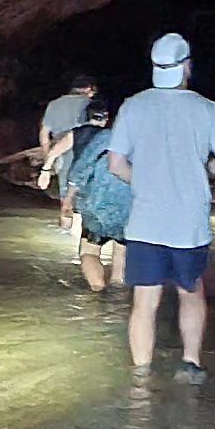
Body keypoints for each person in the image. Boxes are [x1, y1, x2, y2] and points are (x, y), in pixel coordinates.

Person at [108, 33, 215, 385]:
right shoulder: (206, 109)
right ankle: (190, 363)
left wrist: (142, 183)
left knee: (144, 302)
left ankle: (140, 375)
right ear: (186, 66)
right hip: (189, 223)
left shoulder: (133, 106)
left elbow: (115, 164)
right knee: (190, 291)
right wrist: (204, 170)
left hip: (145, 221)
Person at [61, 101, 131, 291]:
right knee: (122, 253)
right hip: (129, 210)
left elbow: (80, 171)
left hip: (96, 206)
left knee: (89, 253)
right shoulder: (149, 143)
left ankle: (97, 288)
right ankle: (118, 292)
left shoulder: (105, 138)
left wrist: (67, 201)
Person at [38, 74, 97, 227]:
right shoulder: (90, 105)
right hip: (83, 155)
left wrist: (48, 161)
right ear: (89, 89)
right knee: (85, 200)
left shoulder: (54, 104)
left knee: (65, 199)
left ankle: (65, 228)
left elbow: (44, 134)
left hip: (60, 156)